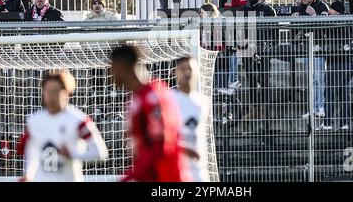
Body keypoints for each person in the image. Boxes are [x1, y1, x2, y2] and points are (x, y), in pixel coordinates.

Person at [110, 45, 189, 182]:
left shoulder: (153, 95)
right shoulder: (135, 98)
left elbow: (162, 145)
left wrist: (129, 176)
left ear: (122, 66)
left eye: (112, 67)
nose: (111, 72)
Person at [16, 70, 108, 182]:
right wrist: (29, 175)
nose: (51, 96)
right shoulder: (34, 121)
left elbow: (101, 152)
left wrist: (73, 155)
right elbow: (32, 152)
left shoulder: (79, 120)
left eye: (55, 91)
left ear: (67, 93)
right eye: (47, 91)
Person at [238, 0, 276, 119]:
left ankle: (265, 110)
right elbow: (239, 30)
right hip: (247, 51)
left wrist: (272, 47)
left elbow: (274, 30)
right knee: (251, 80)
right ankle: (254, 110)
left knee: (264, 79)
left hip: (264, 51)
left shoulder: (268, 10)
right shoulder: (243, 10)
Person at [317, 0, 353, 131]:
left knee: (330, 93)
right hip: (348, 64)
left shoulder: (335, 22)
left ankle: (327, 123)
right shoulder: (345, 23)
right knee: (344, 94)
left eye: (330, 10)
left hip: (336, 63)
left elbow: (321, 28)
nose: (328, 12)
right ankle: (344, 124)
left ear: (336, 11)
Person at [292, 0, 328, 118]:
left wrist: (314, 15)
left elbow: (326, 26)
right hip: (307, 47)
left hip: (319, 48)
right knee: (311, 79)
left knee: (319, 78)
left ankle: (321, 106)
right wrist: (293, 18)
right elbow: (297, 29)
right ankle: (313, 108)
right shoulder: (300, 7)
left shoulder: (322, 6)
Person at [172, 57, 210, 182]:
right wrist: (183, 149)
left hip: (198, 171)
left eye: (190, 69)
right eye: (182, 69)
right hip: (175, 169)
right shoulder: (169, 100)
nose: (187, 73)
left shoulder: (203, 102)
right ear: (175, 72)